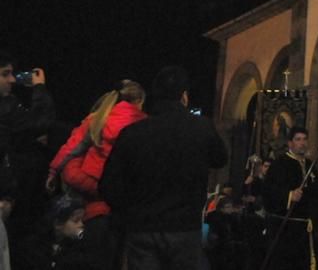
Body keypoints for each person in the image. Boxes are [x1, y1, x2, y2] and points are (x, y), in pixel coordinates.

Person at [100, 65, 227, 270]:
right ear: (184, 96)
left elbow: (109, 186)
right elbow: (220, 159)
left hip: (143, 228)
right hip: (185, 228)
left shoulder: (132, 133)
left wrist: (132, 210)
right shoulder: (200, 128)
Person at [47, 79, 146, 268]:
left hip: (92, 193)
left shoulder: (98, 119)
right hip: (125, 199)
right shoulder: (145, 124)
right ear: (139, 101)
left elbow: (71, 148)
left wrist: (53, 171)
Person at [0, 54, 54, 260]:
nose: (12, 80)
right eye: (5, 74)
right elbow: (41, 121)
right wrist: (39, 89)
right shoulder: (5, 108)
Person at [261, 126, 318, 270]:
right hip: (286, 229)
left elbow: (315, 194)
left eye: (305, 139)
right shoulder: (280, 164)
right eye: (298, 139)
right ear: (290, 143)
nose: (302, 143)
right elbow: (269, 191)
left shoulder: (310, 166)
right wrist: (289, 195)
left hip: (306, 228)